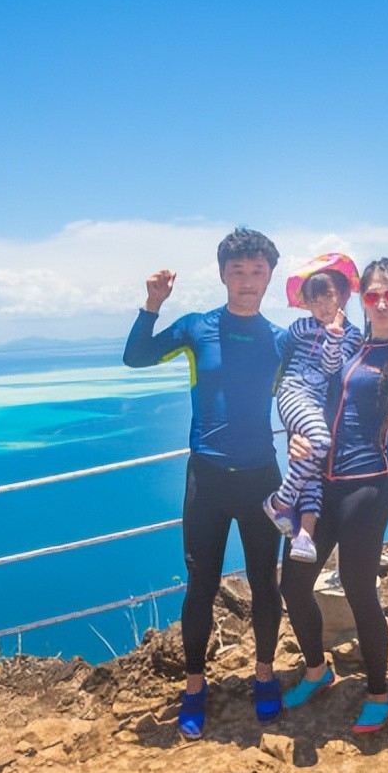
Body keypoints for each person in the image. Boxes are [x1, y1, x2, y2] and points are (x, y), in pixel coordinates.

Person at [122, 227, 290, 740]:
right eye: (236, 270)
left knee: (266, 583)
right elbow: (136, 357)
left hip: (262, 477)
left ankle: (264, 676)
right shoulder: (197, 327)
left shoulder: (281, 340)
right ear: (222, 274)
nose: (246, 280)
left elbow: (323, 384)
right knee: (201, 585)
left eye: (256, 271)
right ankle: (195, 686)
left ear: (269, 277)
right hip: (208, 480)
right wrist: (151, 305)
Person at [279, 257, 388, 734]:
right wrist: (298, 435)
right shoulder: (351, 341)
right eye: (372, 294)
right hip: (318, 484)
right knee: (292, 585)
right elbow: (316, 397)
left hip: (366, 489)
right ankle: (318, 671)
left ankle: (378, 693)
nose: (379, 303)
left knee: (359, 592)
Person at [262, 253, 363, 564]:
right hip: (293, 394)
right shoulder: (299, 327)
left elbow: (333, 367)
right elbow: (279, 358)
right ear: (306, 302)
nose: (322, 306)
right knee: (319, 442)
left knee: (312, 467)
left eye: (328, 297)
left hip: (316, 402)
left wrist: (334, 336)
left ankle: (304, 535)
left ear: (342, 296)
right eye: (314, 299)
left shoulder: (352, 335)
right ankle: (280, 501)